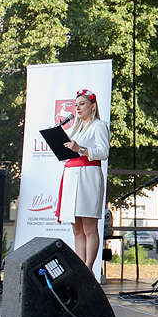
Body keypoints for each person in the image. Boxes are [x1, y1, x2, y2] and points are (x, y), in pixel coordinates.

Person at [57, 88, 110, 272]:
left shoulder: (99, 126)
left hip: (88, 176)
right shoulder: (74, 129)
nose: (78, 108)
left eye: (82, 104)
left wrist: (80, 148)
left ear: (93, 106)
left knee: (89, 227)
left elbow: (103, 153)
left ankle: (88, 269)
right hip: (72, 177)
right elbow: (69, 155)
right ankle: (80, 268)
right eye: (76, 104)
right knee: (77, 229)